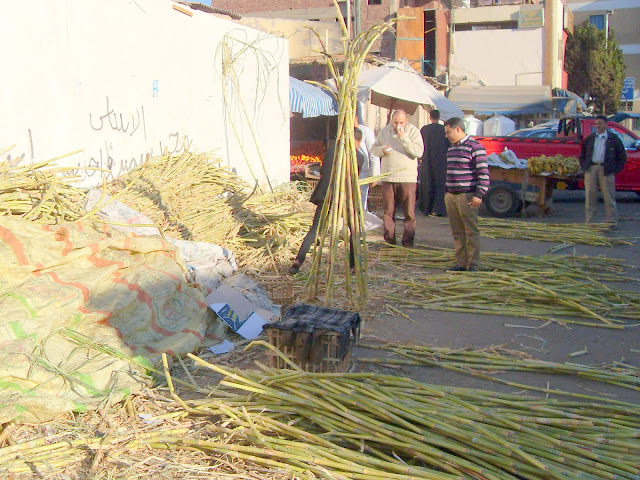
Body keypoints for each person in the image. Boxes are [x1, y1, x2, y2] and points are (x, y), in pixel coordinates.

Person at [288, 129, 364, 275]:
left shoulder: (332, 149)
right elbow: (354, 179)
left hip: (327, 195)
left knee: (315, 229)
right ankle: (353, 265)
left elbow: (323, 172)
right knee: (354, 230)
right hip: (344, 197)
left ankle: (298, 260)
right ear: (356, 141)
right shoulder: (357, 156)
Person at [371, 109, 424, 247]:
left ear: (406, 121)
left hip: (407, 178)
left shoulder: (413, 131)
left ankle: (408, 240)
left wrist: (403, 138)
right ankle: (389, 240)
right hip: (389, 177)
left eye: (401, 122)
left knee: (409, 212)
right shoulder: (385, 131)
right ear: (391, 121)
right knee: (388, 211)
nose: (398, 125)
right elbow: (374, 149)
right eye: (395, 122)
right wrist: (382, 150)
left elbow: (418, 152)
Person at [443, 117, 490, 272]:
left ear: (458, 129)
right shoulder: (451, 148)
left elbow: (483, 173)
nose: (446, 135)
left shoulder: (475, 147)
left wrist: (479, 195)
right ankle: (461, 262)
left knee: (470, 231)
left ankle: (474, 264)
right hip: (451, 195)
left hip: (467, 196)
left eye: (448, 132)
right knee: (457, 231)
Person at [579, 115, 626, 225]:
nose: (598, 126)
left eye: (600, 123)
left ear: (606, 124)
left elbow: (622, 156)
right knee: (590, 196)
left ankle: (611, 222)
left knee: (609, 197)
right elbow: (582, 155)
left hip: (606, 170)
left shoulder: (613, 139)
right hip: (591, 169)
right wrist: (584, 167)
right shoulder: (590, 139)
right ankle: (590, 222)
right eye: (596, 124)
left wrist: (615, 170)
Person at [419, 109, 449, 217]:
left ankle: (426, 208)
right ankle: (438, 209)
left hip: (427, 160)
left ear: (430, 117)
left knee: (427, 184)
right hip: (441, 161)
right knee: (440, 185)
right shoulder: (443, 130)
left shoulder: (424, 130)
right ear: (439, 117)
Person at [354, 116, 380, 210]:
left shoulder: (366, 131)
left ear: (356, 118)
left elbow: (373, 154)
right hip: (350, 172)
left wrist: (374, 175)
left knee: (361, 200)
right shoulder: (345, 131)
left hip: (363, 172)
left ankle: (360, 221)